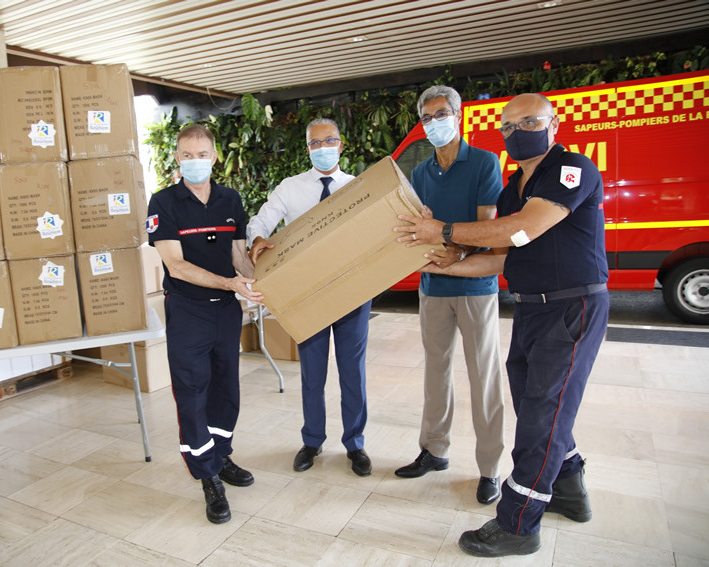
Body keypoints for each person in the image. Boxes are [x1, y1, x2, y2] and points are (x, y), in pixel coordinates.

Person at [395, 93, 609, 557]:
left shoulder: (570, 169)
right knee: (539, 406)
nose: (517, 132)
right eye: (508, 126)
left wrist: (445, 233)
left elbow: (522, 230)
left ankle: (518, 522)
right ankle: (569, 490)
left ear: (554, 123)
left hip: (572, 308)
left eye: (528, 121)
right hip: (532, 307)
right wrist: (443, 265)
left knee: (541, 417)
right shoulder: (514, 187)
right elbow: (496, 260)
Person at [393, 85, 505, 507]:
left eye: (442, 114)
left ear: (458, 115)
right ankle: (434, 449)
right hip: (434, 286)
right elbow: (415, 227)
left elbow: (488, 227)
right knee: (435, 372)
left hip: (475, 285)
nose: (434, 123)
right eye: (427, 117)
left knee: (484, 375)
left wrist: (457, 248)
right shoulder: (421, 173)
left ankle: (490, 468)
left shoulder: (483, 164)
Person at [146, 123, 263, 525]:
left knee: (226, 386)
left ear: (214, 157)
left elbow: (237, 253)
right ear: (177, 157)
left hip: (225, 311)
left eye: (202, 154)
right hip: (188, 311)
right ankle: (207, 475)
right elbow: (175, 266)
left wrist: (255, 282)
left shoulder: (230, 199)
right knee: (193, 391)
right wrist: (231, 283)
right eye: (186, 154)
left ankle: (221, 456)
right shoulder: (164, 202)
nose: (194, 161)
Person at [247, 117, 372, 477]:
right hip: (308, 294)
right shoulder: (291, 188)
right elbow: (260, 222)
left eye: (328, 141)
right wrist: (258, 239)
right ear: (307, 149)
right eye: (315, 144)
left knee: (353, 372)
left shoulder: (358, 187)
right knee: (312, 373)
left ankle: (355, 444)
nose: (322, 148)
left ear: (341, 144)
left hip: (351, 292)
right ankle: (312, 440)